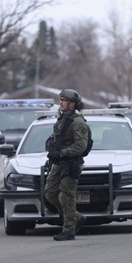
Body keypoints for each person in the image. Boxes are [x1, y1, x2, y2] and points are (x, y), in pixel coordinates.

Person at [44, 89, 90, 241]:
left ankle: (69, 230)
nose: (60, 102)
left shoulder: (77, 122)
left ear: (72, 104)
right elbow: (55, 139)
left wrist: (63, 153)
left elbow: (81, 146)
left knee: (66, 196)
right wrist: (51, 150)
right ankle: (76, 217)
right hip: (59, 163)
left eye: (63, 100)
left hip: (71, 163)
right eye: (61, 99)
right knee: (50, 192)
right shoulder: (62, 119)